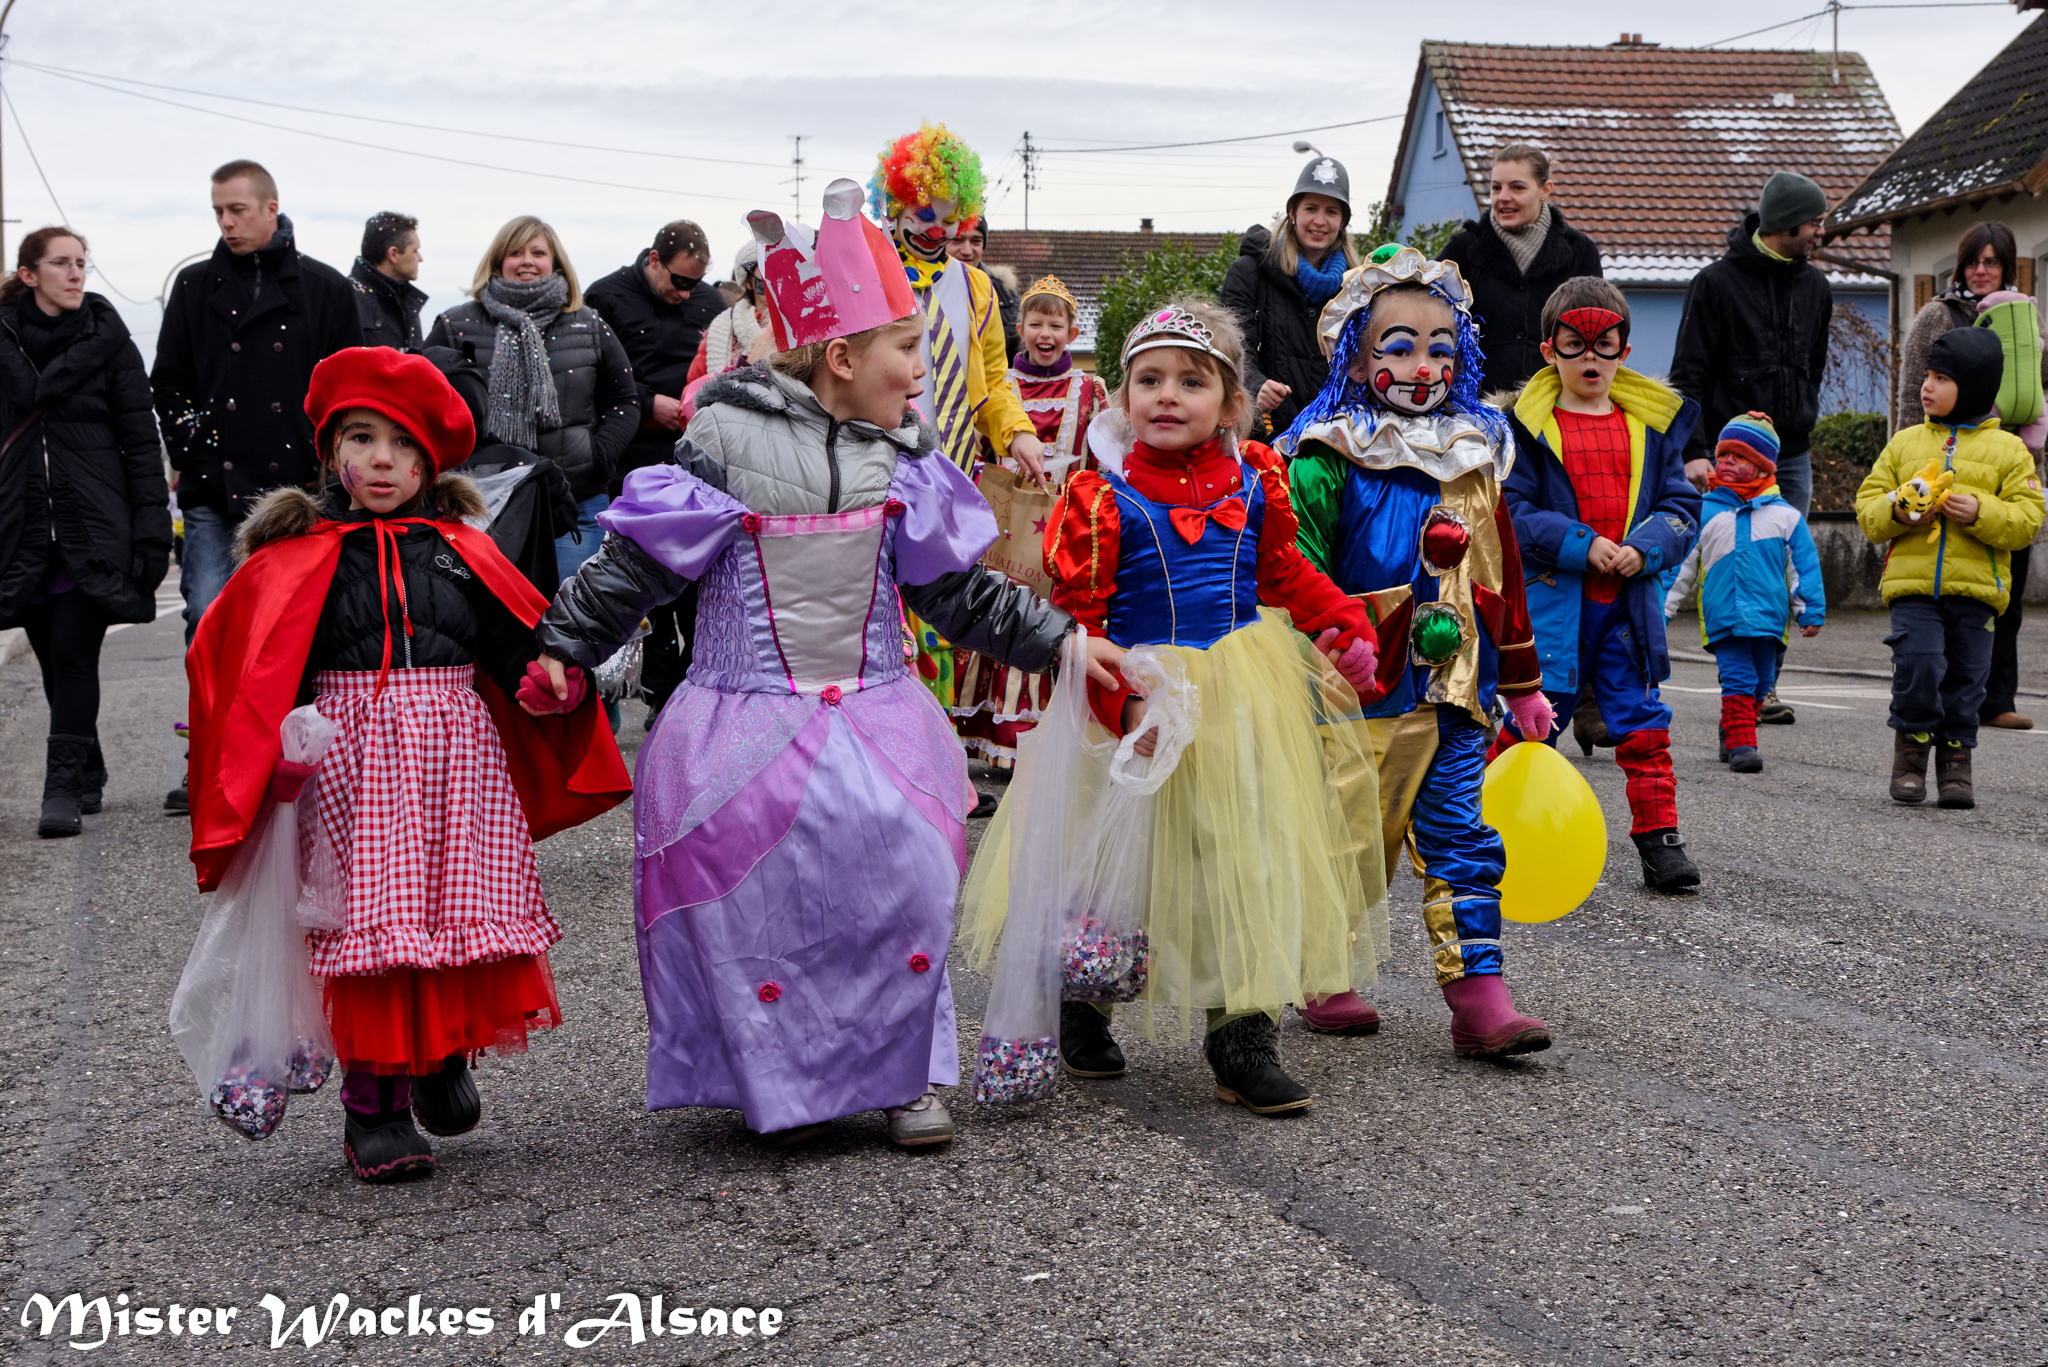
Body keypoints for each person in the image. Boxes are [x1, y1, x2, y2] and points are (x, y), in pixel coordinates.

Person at [528, 182, 1096, 1149]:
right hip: (747, 713)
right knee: (761, 887)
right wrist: (563, 646)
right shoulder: (720, 445)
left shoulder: (906, 458)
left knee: (909, 867)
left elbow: (955, 593)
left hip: (876, 710)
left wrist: (1065, 644)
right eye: (908, 349)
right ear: (842, 357)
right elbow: (636, 568)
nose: (924, 371)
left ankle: (905, 1068)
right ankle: (781, 1076)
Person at [183, 347, 630, 1182]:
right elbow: (253, 668)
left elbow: (512, 645)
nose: (381, 459)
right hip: (352, 771)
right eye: (361, 439)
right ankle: (374, 1111)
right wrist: (263, 754)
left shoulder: (461, 551)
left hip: (456, 766)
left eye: (402, 444)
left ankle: (441, 1054)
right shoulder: (297, 558)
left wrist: (548, 684)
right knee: (372, 927)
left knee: (459, 906)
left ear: (430, 463)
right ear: (332, 457)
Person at [967, 297, 1386, 1114]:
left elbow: (1283, 575)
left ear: (1231, 402)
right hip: (1131, 694)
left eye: (1191, 381)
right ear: (1121, 400)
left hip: (1237, 694)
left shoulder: (1257, 477)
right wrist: (1119, 704)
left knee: (1245, 857)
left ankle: (1242, 1037)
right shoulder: (1099, 497)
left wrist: (1340, 617)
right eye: (1148, 379)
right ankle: (1083, 1006)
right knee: (1110, 861)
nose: (1167, 394)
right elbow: (1080, 623)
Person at [1284, 246, 1557, 1058]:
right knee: (1344, 837)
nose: (1422, 364)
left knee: (1461, 836)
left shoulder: (1474, 455)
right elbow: (1291, 564)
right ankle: (1322, 970)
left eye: (1441, 347)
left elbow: (1501, 573)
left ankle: (1479, 996)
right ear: (1358, 357)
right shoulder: (1328, 454)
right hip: (1356, 688)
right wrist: (1325, 644)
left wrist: (1525, 679)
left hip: (1457, 693)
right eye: (1398, 346)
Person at [1497, 279, 1703, 892]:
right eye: (1575, 344)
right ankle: (1478, 829)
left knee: (1642, 722)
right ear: (1548, 350)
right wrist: (1580, 544)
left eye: (1604, 344)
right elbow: (1511, 507)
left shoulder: (1652, 428)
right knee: (1533, 719)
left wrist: (1648, 546)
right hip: (1555, 607)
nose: (1590, 358)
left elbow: (1680, 505)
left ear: (1624, 352)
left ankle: (1660, 840)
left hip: (1626, 608)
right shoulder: (1525, 431)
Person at [871, 124, 1044, 784]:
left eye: (950, 211)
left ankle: (933, 757)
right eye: (923, 208)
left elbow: (994, 381)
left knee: (943, 617)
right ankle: (884, 750)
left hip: (947, 474)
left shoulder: (975, 288)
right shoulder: (873, 272)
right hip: (872, 468)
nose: (937, 224)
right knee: (882, 614)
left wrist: (1018, 431)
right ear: (897, 203)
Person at [0, 226, 171, 837]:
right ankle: (89, 766)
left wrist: (152, 532)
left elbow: (139, 444)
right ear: (29, 275)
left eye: (81, 263)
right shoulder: (4, 344)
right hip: (20, 530)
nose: (76, 274)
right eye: (61, 264)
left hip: (94, 528)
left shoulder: (110, 343)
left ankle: (62, 790)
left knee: (73, 655)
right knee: (50, 660)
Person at [153, 159, 363, 646]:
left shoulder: (325, 288)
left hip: (299, 490)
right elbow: (168, 380)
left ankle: (293, 724)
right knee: (208, 616)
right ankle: (212, 724)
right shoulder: (193, 286)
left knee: (299, 622)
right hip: (213, 484)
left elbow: (346, 391)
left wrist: (329, 465)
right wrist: (193, 443)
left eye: (237, 209)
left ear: (271, 209)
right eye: (218, 211)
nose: (226, 222)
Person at [1669, 170, 1833, 728]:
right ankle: (1739, 682)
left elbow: (1814, 364)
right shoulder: (1715, 284)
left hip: (1791, 454)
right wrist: (1694, 450)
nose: (1820, 231)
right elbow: (1687, 375)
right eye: (1815, 221)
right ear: (1788, 224)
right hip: (1727, 456)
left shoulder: (1817, 287)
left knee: (1780, 561)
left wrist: (1803, 414)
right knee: (1730, 562)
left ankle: (1764, 687)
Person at [1858, 328, 2044, 809]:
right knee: (1919, 666)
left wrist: (1979, 511)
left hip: (1977, 590)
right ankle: (1911, 753)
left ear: (1976, 385)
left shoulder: (2010, 452)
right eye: (1927, 375)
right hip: (1913, 587)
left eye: (1942, 378)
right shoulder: (1904, 443)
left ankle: (1956, 761)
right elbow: (1867, 508)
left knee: (1967, 680)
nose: (1927, 386)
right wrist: (1899, 509)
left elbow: (2027, 521)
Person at [953, 274, 1109, 771]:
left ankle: (1036, 737)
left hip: (1067, 530)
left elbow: (1104, 461)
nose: (1046, 333)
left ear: (1072, 332)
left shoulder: (1091, 390)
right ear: (1019, 328)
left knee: (1048, 616)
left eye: (1056, 325)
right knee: (1001, 607)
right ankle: (988, 733)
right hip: (1003, 527)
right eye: (1037, 323)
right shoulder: (999, 391)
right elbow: (976, 453)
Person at [1897, 222, 2048, 731]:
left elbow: (2038, 388)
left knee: (2003, 589)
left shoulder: (2024, 317)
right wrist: (1904, 458)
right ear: (1961, 266)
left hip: (2010, 468)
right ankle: (1940, 697)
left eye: (1993, 262)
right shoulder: (1936, 315)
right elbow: (1909, 391)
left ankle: (1996, 700)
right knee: (1939, 593)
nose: (1982, 271)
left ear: (2007, 266)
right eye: (1973, 262)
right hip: (1939, 467)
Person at [585, 220, 726, 724]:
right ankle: (655, 685)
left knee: (695, 575)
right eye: (677, 282)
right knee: (646, 575)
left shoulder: (711, 304)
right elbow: (592, 375)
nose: (684, 293)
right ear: (652, 260)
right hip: (631, 454)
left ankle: (682, 687)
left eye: (693, 285)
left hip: (693, 459)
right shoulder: (605, 298)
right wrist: (647, 404)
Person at [1664, 413, 1825, 773]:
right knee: (1738, 678)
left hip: (1768, 619)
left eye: (1739, 457)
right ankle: (1742, 745)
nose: (1727, 462)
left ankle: (1732, 725)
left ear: (1763, 466)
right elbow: (1682, 566)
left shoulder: (1785, 516)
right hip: (1725, 615)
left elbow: (1803, 566)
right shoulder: (1704, 511)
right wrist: (1663, 607)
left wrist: (1810, 609)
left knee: (1763, 682)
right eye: (1723, 455)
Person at [1441, 143, 1605, 394]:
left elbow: (1594, 334)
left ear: (1545, 190)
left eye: (1517, 187)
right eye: (1496, 188)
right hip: (1475, 411)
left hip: (1554, 407)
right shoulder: (1462, 251)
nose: (1503, 197)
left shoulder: (1580, 252)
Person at [1221, 154, 1360, 437]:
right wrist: (1255, 385)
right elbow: (1230, 347)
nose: (1320, 221)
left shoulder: (1358, 286)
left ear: (1342, 221)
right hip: (1264, 435)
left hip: (1334, 440)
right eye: (1311, 208)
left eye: (1331, 212)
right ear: (1293, 213)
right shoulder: (1249, 272)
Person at [350, 212, 428, 352]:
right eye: (415, 251)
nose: (420, 258)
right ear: (393, 254)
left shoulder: (407, 301)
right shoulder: (346, 298)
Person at [949, 217, 1020, 365]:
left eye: (976, 241)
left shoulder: (1005, 297)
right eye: (957, 240)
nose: (967, 251)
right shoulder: (921, 286)